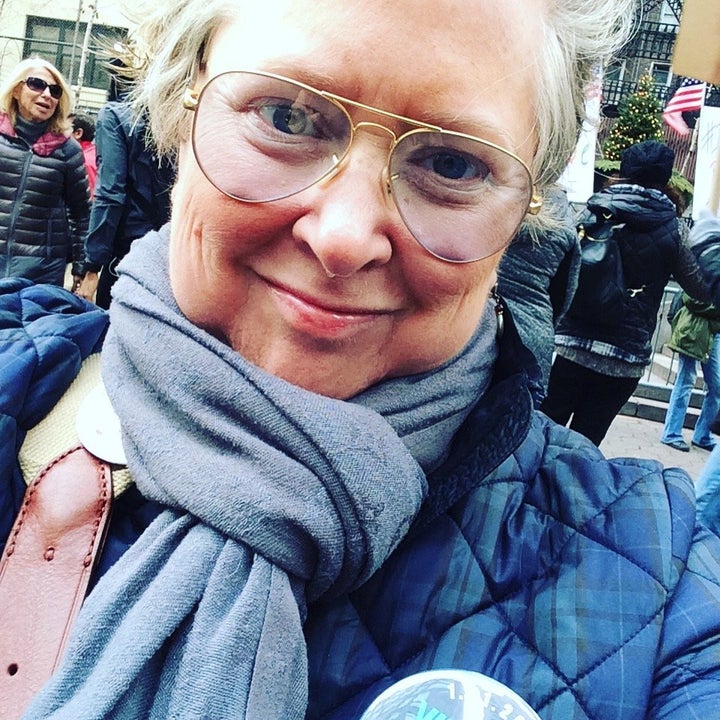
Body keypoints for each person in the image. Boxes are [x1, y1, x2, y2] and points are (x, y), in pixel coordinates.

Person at [1, 1, 719, 719]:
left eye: (451, 163)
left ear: (526, 209)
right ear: (178, 107)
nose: (343, 237)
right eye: (285, 117)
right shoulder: (20, 378)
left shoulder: (662, 584)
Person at [541, 140, 709, 446]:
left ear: (625, 171)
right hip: (624, 356)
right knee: (582, 447)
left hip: (573, 344)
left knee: (540, 435)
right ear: (665, 177)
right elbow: (700, 287)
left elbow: (558, 263)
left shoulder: (595, 210)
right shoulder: (674, 228)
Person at [0, 57, 90, 288]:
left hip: (40, 270)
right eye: (37, 84)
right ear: (17, 90)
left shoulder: (68, 150)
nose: (47, 94)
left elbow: (81, 213)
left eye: (55, 90)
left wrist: (82, 267)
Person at [76, 99, 174, 309]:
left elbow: (110, 193)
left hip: (125, 253)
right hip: (170, 253)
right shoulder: (188, 115)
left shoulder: (116, 115)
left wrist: (92, 265)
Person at [497, 185, 580, 398]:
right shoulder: (565, 225)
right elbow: (566, 293)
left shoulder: (494, 199)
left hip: (477, 319)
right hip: (533, 333)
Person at [660, 292, 720, 452]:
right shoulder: (707, 267)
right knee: (686, 380)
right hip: (694, 328)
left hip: (714, 332)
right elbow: (690, 297)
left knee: (717, 386)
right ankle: (672, 433)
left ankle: (703, 435)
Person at [70, 112, 98, 199]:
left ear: (78, 133)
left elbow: (90, 198)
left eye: (64, 129)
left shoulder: (82, 160)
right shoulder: (95, 152)